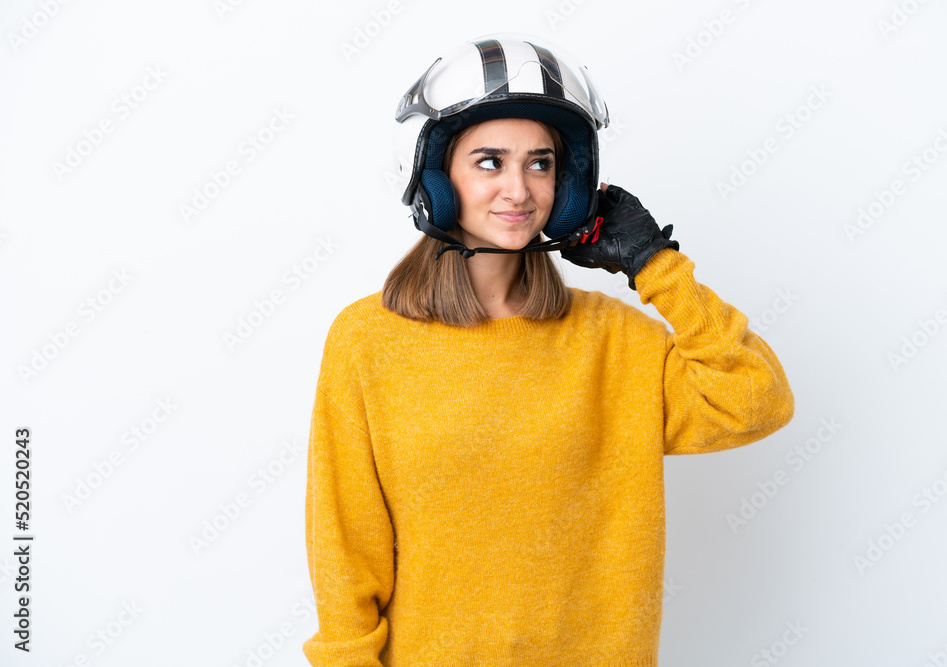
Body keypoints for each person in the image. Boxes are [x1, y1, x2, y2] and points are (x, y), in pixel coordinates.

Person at [302, 33, 794, 666]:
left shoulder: (613, 340)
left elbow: (757, 398)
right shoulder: (368, 339)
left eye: (541, 163)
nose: (519, 190)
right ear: (435, 175)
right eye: (489, 161)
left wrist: (656, 266)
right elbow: (344, 545)